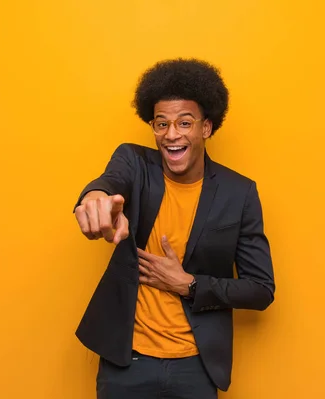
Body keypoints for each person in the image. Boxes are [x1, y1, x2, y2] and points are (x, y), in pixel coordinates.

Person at [73, 58, 275, 399]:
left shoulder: (238, 193)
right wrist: (96, 199)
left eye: (184, 122)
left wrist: (190, 285)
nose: (171, 135)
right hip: (126, 364)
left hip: (195, 367)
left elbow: (260, 289)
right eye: (161, 124)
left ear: (206, 128)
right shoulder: (135, 164)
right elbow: (109, 182)